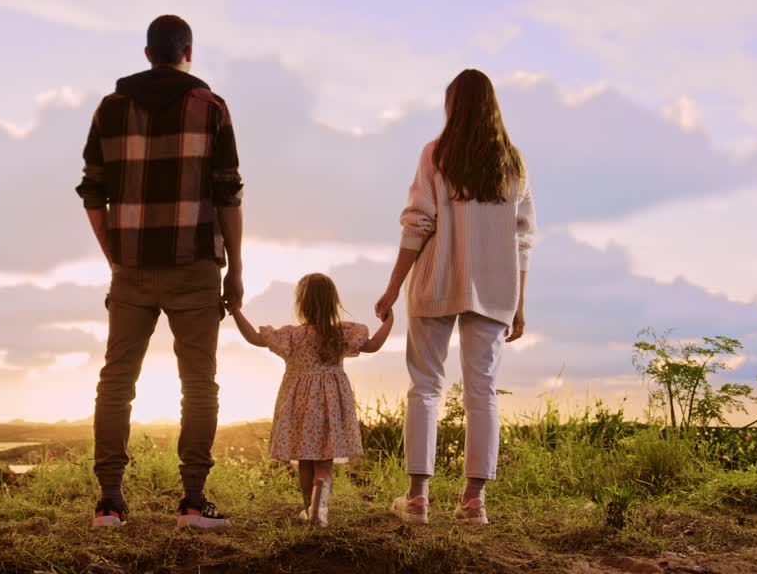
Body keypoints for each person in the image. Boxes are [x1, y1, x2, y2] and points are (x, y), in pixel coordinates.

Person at [76, 14, 244, 529]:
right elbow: (228, 193)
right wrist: (236, 270)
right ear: (188, 52)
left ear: (148, 53)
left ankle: (110, 502)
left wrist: (115, 257)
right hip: (195, 266)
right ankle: (193, 501)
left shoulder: (110, 109)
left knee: (116, 381)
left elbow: (92, 192)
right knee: (199, 383)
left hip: (131, 269)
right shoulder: (210, 107)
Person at [375, 68, 536, 526]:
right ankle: (473, 503)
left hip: (437, 281)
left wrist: (393, 286)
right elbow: (523, 237)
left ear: (453, 106)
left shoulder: (437, 154)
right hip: (495, 289)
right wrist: (519, 303)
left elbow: (418, 222)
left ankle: (417, 499)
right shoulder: (514, 164)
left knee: (425, 386)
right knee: (482, 390)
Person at [228, 273, 393, 527]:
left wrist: (236, 311)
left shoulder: (292, 336)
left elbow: (254, 338)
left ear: (301, 304)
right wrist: (389, 321)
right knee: (324, 462)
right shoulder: (340, 334)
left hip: (300, 405)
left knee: (304, 460)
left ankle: (309, 509)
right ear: (333, 303)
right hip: (331, 405)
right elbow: (374, 345)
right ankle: (320, 511)